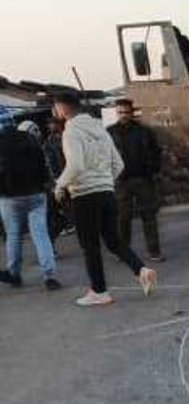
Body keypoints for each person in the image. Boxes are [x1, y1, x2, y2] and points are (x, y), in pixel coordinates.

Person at [52, 92, 157, 306]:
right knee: (114, 241)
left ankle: (99, 291)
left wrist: (60, 185)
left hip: (84, 195)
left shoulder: (71, 131)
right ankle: (141, 270)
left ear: (63, 108)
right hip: (106, 192)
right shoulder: (100, 129)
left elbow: (76, 165)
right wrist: (105, 181)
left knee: (90, 245)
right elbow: (118, 164)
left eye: (56, 107)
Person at [0, 107, 60, 290]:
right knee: (40, 233)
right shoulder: (29, 138)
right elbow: (43, 165)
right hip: (36, 194)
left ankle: (14, 274)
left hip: (9, 197)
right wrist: (43, 186)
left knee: (13, 235)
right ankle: (49, 275)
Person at [108, 99, 164, 261]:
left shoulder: (144, 131)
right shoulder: (109, 132)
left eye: (126, 112)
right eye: (120, 112)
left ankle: (154, 251)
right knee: (123, 218)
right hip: (121, 181)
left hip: (143, 179)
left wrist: (154, 169)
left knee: (149, 216)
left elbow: (156, 151)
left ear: (132, 113)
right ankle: (124, 252)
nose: (124, 115)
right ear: (116, 113)